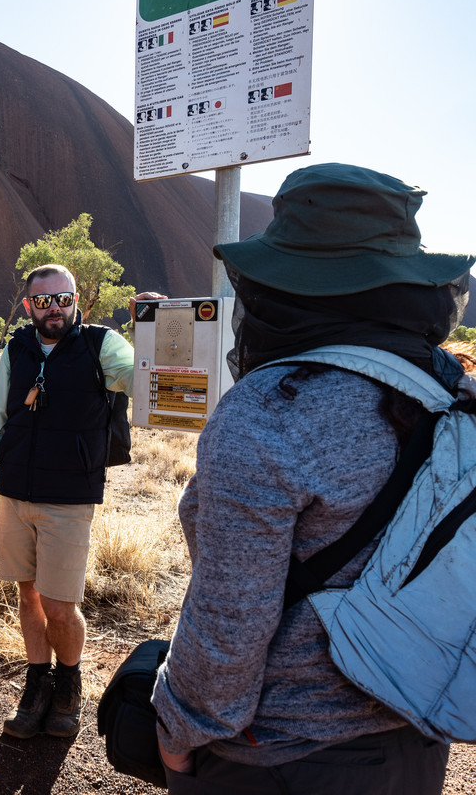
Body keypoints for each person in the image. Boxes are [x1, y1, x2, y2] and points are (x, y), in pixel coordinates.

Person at [151, 163, 474, 794]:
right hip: (414, 738)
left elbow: (229, 626)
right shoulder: (450, 389)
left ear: (286, 283)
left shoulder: (270, 410)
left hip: (283, 755)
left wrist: (178, 733)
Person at [0, 264, 140, 739]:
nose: (54, 309)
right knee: (28, 595)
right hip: (14, 494)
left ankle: (69, 684)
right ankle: (36, 684)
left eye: (63, 299)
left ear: (75, 299)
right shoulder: (18, 347)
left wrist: (153, 329)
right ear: (29, 306)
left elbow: (144, 380)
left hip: (69, 499)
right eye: (43, 301)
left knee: (61, 606)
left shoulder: (102, 345)